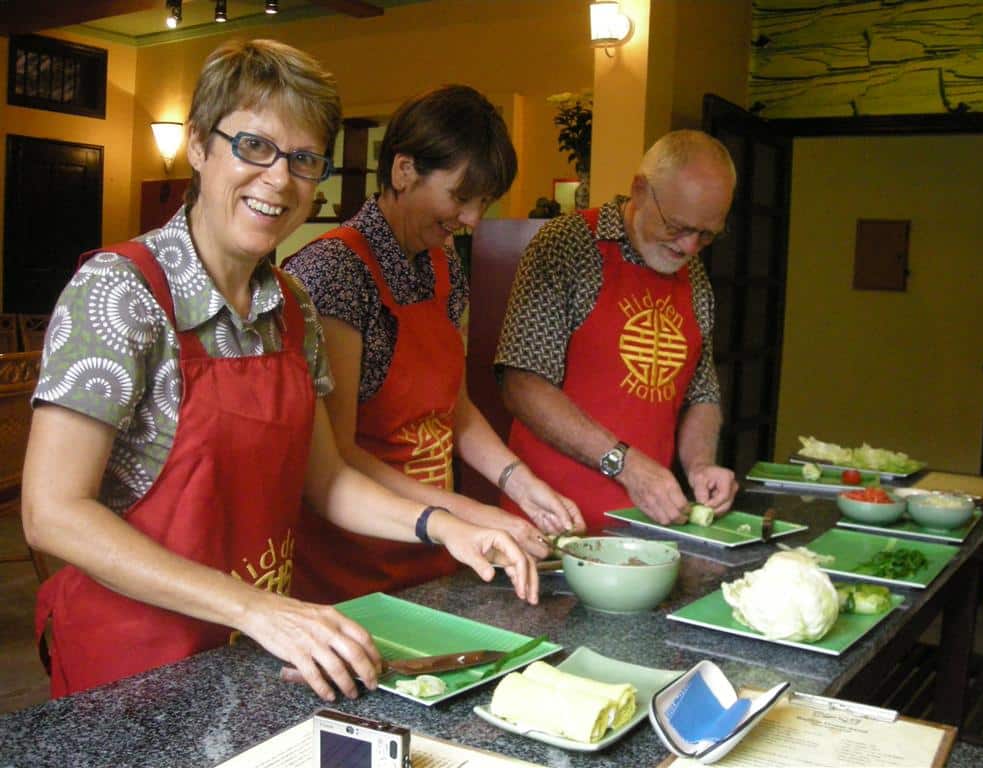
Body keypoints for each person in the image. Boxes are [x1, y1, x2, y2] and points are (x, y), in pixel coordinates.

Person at [22, 40, 537, 702]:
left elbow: (326, 482)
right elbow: (52, 512)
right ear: (200, 146)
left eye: (302, 160)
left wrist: (447, 527)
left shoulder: (292, 308)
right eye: (254, 147)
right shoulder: (119, 293)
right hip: (134, 669)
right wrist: (254, 608)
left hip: (254, 660)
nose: (280, 180)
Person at [284, 84, 583, 604]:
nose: (471, 219)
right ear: (403, 171)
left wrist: (518, 484)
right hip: (350, 565)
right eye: (461, 197)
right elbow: (339, 453)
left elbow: (455, 410)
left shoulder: (444, 268)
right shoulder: (334, 273)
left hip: (433, 549)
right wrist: (465, 513)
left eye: (482, 202)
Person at [495, 130, 740, 532]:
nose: (690, 247)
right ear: (640, 190)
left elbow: (702, 391)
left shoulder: (693, 276)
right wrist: (625, 464)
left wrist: (700, 465)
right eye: (677, 226)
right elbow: (522, 383)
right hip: (548, 522)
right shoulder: (568, 246)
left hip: (644, 526)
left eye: (707, 234)